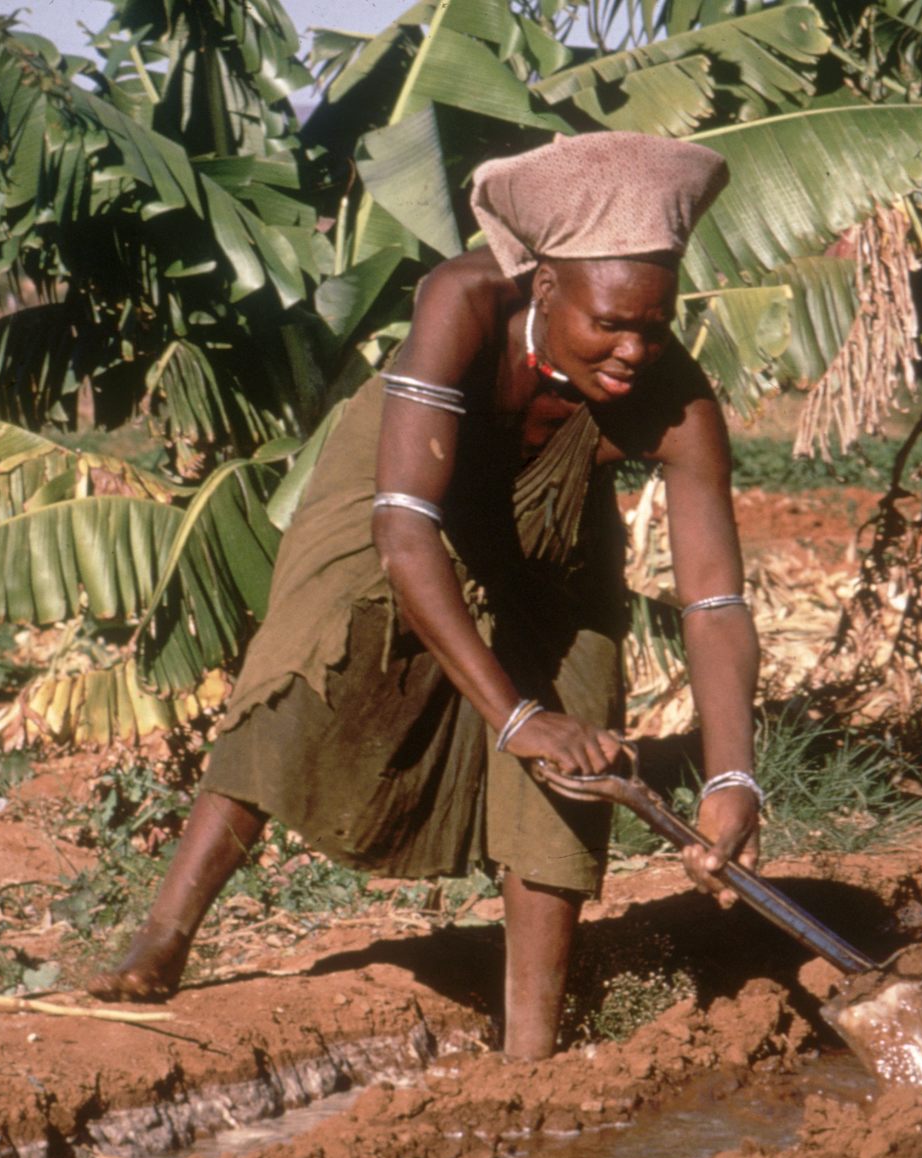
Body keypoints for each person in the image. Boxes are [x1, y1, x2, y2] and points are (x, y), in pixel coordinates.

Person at [87, 132, 762, 1060]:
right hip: (402, 482)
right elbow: (406, 538)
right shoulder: (463, 303)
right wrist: (514, 716)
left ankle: (530, 1054)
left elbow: (714, 605)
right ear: (546, 285)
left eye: (655, 325)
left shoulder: (675, 404)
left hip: (547, 523)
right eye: (610, 323)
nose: (634, 350)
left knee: (582, 723)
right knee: (314, 654)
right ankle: (164, 938)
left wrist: (732, 780)